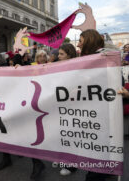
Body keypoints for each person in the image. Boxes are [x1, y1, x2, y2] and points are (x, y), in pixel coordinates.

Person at [77, 29, 112, 181]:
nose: (78, 44)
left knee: (98, 145)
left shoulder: (105, 57)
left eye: (80, 40)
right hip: (90, 110)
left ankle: (96, 175)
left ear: (89, 41)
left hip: (100, 111)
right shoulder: (88, 58)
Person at [53, 43, 78, 176]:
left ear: (69, 54)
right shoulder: (58, 66)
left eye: (62, 54)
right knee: (61, 134)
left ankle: (71, 165)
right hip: (60, 106)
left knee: (71, 136)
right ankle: (62, 159)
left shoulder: (78, 68)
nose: (59, 56)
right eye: (59, 54)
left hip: (73, 107)